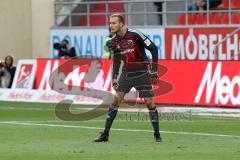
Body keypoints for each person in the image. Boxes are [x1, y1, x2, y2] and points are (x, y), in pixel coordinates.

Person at [94, 13, 161, 142]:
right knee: (115, 102)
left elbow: (154, 49)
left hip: (142, 72)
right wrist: (114, 78)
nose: (111, 25)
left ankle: (157, 135)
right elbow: (117, 61)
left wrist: (154, 70)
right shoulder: (113, 42)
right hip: (126, 73)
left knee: (149, 103)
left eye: (114, 23)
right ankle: (105, 134)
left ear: (121, 24)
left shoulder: (136, 34)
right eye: (110, 23)